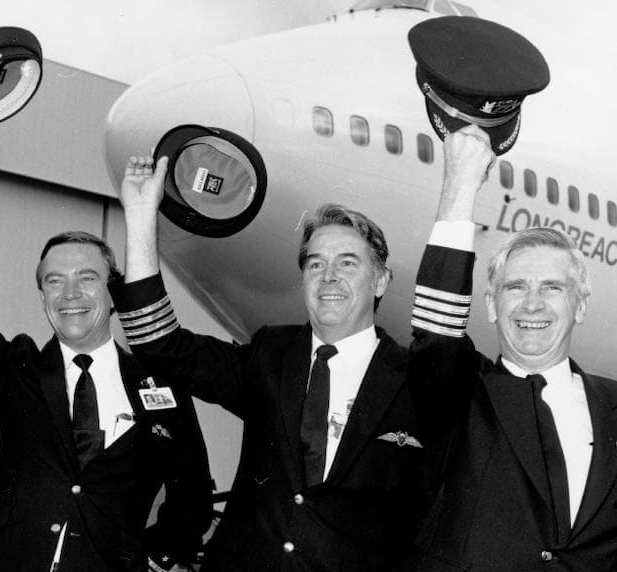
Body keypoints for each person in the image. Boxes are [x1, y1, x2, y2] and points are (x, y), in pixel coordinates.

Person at [0, 115, 213, 572]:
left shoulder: (160, 385)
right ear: (42, 296)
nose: (70, 295)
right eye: (54, 281)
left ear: (114, 293)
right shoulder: (18, 370)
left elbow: (193, 492)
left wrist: (158, 555)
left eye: (87, 278)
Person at [110, 154, 425, 571]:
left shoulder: (416, 383)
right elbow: (159, 343)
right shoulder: (269, 355)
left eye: (348, 263)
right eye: (316, 264)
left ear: (381, 279)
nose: (329, 276)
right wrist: (140, 216)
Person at [405, 125, 617, 570]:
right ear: (491, 305)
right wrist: (461, 184)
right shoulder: (461, 394)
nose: (533, 303)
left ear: (580, 306)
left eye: (553, 288)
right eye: (516, 287)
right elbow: (437, 330)